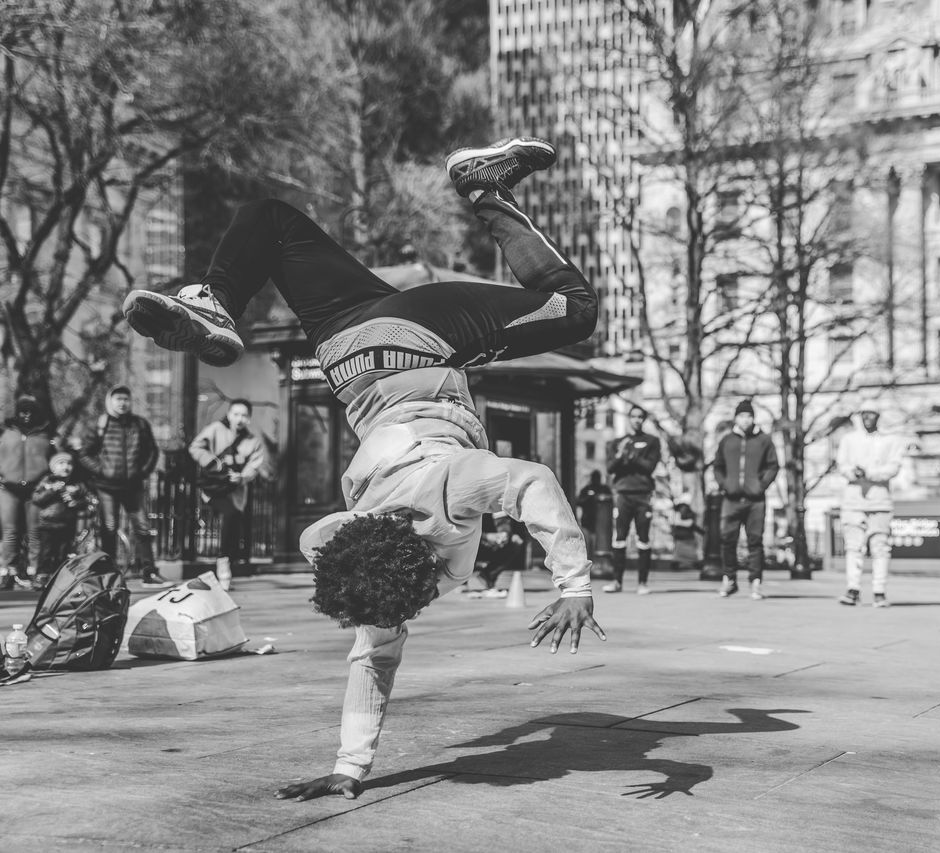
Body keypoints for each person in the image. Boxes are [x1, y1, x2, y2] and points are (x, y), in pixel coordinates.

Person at [122, 136, 606, 800]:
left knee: (574, 311)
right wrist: (349, 767)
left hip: (419, 339)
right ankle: (214, 300)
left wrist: (573, 585)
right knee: (267, 217)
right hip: (344, 346)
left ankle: (483, 188)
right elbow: (368, 658)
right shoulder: (363, 543)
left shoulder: (445, 492)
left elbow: (533, 482)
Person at [71, 386, 162, 586]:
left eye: (125, 399)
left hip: (133, 485)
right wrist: (102, 470)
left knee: (143, 528)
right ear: (110, 401)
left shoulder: (139, 424)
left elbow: (152, 451)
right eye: (118, 399)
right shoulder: (100, 424)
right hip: (106, 487)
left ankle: (149, 571)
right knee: (109, 528)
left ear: (130, 401)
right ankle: (109, 572)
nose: (122, 403)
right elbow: (84, 454)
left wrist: (143, 471)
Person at [189, 399, 268, 589]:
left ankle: (227, 564)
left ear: (249, 418)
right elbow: (195, 447)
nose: (239, 419)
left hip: (236, 490)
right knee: (230, 514)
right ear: (229, 414)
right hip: (214, 489)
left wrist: (241, 477)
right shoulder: (215, 429)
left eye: (244, 415)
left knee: (234, 524)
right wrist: (213, 463)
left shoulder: (253, 441)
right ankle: (223, 563)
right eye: (236, 414)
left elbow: (255, 465)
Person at [835, 403, 906, 608]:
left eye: (871, 415)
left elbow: (893, 467)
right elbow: (842, 464)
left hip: (879, 500)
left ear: (877, 416)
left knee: (880, 547)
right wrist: (853, 473)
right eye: (864, 414)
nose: (868, 418)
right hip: (854, 500)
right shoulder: (849, 439)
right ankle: (853, 589)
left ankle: (879, 591)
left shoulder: (889, 440)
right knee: (853, 546)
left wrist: (871, 474)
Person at [712, 399, 779, 600]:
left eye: (749, 416)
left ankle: (755, 582)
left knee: (755, 541)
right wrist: (724, 484)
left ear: (753, 418)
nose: (745, 420)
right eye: (742, 416)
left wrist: (761, 485)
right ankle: (729, 579)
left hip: (755, 500)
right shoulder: (727, 441)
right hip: (731, 498)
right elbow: (717, 466)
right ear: (736, 418)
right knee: (727, 540)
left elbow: (773, 466)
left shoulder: (763, 440)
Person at [0, 395, 57, 590]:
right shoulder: (5, 432)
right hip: (8, 488)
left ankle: (35, 572)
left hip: (36, 488)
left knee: (35, 532)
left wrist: (49, 480)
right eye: (23, 412)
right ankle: (8, 571)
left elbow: (55, 460)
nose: (26, 415)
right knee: (10, 531)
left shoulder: (45, 434)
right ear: (17, 412)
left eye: (30, 412)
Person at [604, 405, 661, 595]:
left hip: (643, 495)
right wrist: (621, 455)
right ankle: (616, 581)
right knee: (619, 539)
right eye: (633, 416)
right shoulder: (616, 443)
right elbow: (611, 468)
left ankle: (642, 583)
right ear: (628, 419)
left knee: (643, 540)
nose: (636, 420)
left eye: (640, 417)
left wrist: (633, 456)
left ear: (643, 420)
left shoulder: (651, 441)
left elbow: (649, 467)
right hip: (623, 495)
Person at [30, 452, 94, 585]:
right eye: (61, 463)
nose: (66, 466)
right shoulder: (48, 481)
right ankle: (42, 575)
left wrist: (75, 501)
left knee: (63, 553)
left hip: (67, 524)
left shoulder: (77, 484)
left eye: (69, 463)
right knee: (46, 552)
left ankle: (58, 577)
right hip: (48, 524)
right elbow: (37, 499)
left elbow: (87, 500)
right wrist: (52, 490)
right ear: (53, 467)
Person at [468, 512, 526, 598]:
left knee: (516, 543)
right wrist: (486, 537)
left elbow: (504, 524)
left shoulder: (501, 507)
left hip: (494, 545)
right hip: (476, 544)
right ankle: (462, 578)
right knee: (464, 544)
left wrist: (505, 535)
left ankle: (486, 577)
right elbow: (465, 531)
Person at [574, 469, 610, 557]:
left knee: (599, 546)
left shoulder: (604, 489)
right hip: (587, 522)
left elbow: (610, 501)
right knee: (587, 545)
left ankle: (598, 563)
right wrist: (589, 497)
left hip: (602, 524)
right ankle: (589, 562)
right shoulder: (586, 490)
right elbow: (578, 502)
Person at [670, 492, 704, 572]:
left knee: (681, 554)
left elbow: (676, 522)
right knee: (688, 554)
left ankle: (680, 564)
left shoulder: (678, 509)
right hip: (686, 537)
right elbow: (686, 523)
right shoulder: (684, 508)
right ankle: (690, 564)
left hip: (681, 537)